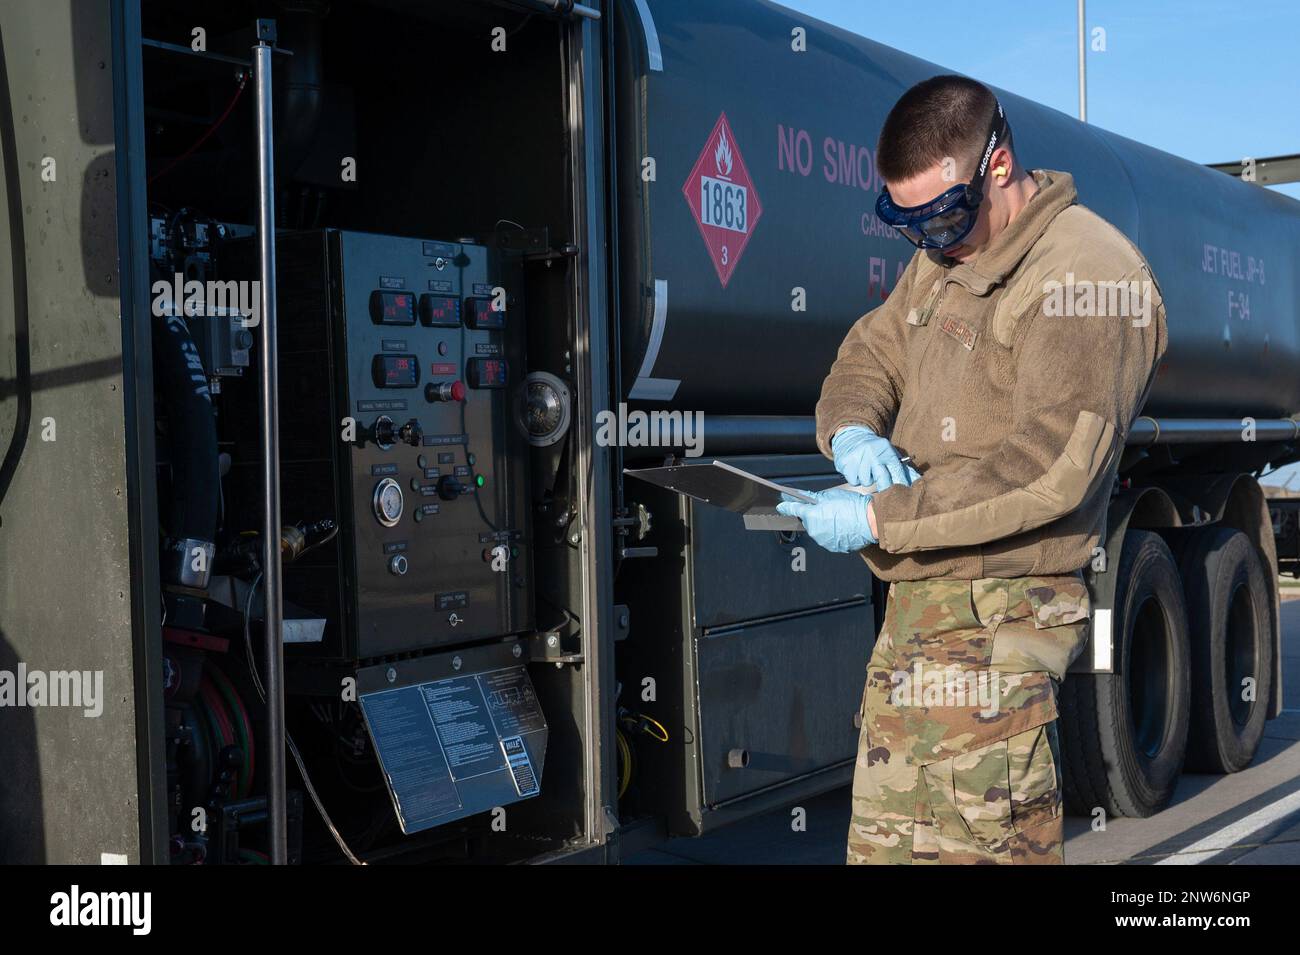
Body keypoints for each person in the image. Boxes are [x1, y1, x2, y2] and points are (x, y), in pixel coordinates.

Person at [777, 75, 1167, 864]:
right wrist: (852, 432)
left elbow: (1049, 467)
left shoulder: (1089, 276)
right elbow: (872, 351)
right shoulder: (947, 256)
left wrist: (884, 516)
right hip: (916, 615)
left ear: (997, 165)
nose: (930, 241)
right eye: (907, 224)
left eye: (942, 217)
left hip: (996, 633)